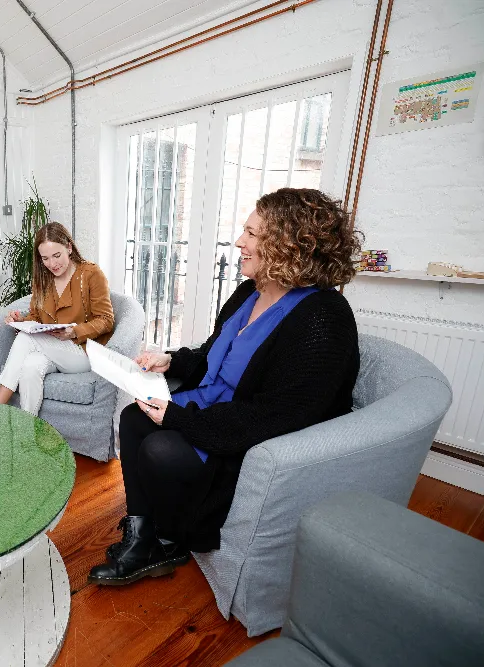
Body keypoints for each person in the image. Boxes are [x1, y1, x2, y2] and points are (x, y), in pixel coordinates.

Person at [88, 188, 362, 586]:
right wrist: (172, 360)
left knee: (160, 447)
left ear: (289, 245)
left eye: (252, 234)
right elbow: (214, 352)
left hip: (245, 429)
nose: (239, 243)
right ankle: (144, 536)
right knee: (133, 418)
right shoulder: (249, 292)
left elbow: (281, 413)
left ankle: (170, 537)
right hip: (214, 406)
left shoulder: (324, 317)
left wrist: (180, 418)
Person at [0, 221, 114, 416]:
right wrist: (19, 320)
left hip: (83, 351)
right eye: (45, 258)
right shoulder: (43, 279)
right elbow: (36, 317)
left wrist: (74, 331)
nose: (52, 264)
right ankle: (27, 434)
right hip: (53, 350)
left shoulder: (91, 274)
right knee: (30, 367)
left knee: (26, 339)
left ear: (69, 247)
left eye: (57, 255)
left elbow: (106, 320)